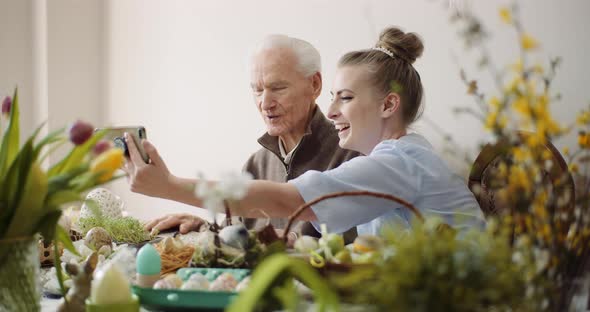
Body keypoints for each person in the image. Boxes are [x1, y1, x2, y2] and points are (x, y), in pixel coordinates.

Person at [126, 26, 485, 236]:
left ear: (388, 105)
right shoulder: (396, 159)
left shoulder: (398, 163)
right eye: (332, 98)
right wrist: (211, 231)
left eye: (344, 98)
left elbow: (289, 201)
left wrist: (169, 186)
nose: (329, 111)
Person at [128, 35, 361, 240]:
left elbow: (359, 246)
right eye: (257, 90)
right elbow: (239, 239)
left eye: (278, 88)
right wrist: (207, 229)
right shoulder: (255, 164)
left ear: (315, 84)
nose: (265, 103)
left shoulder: (352, 152)